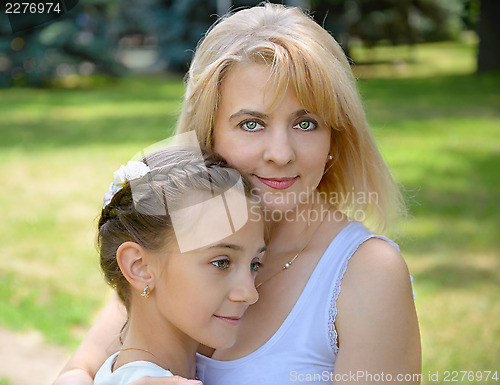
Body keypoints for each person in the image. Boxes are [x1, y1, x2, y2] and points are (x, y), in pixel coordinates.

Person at [54, 3, 421, 385]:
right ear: (208, 133)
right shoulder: (182, 225)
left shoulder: (367, 273)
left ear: (334, 136)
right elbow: (79, 371)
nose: (280, 153)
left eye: (306, 123)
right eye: (251, 124)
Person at [91, 146, 266, 384]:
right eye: (221, 262)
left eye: (255, 265)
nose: (250, 293)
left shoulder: (112, 371)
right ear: (139, 266)